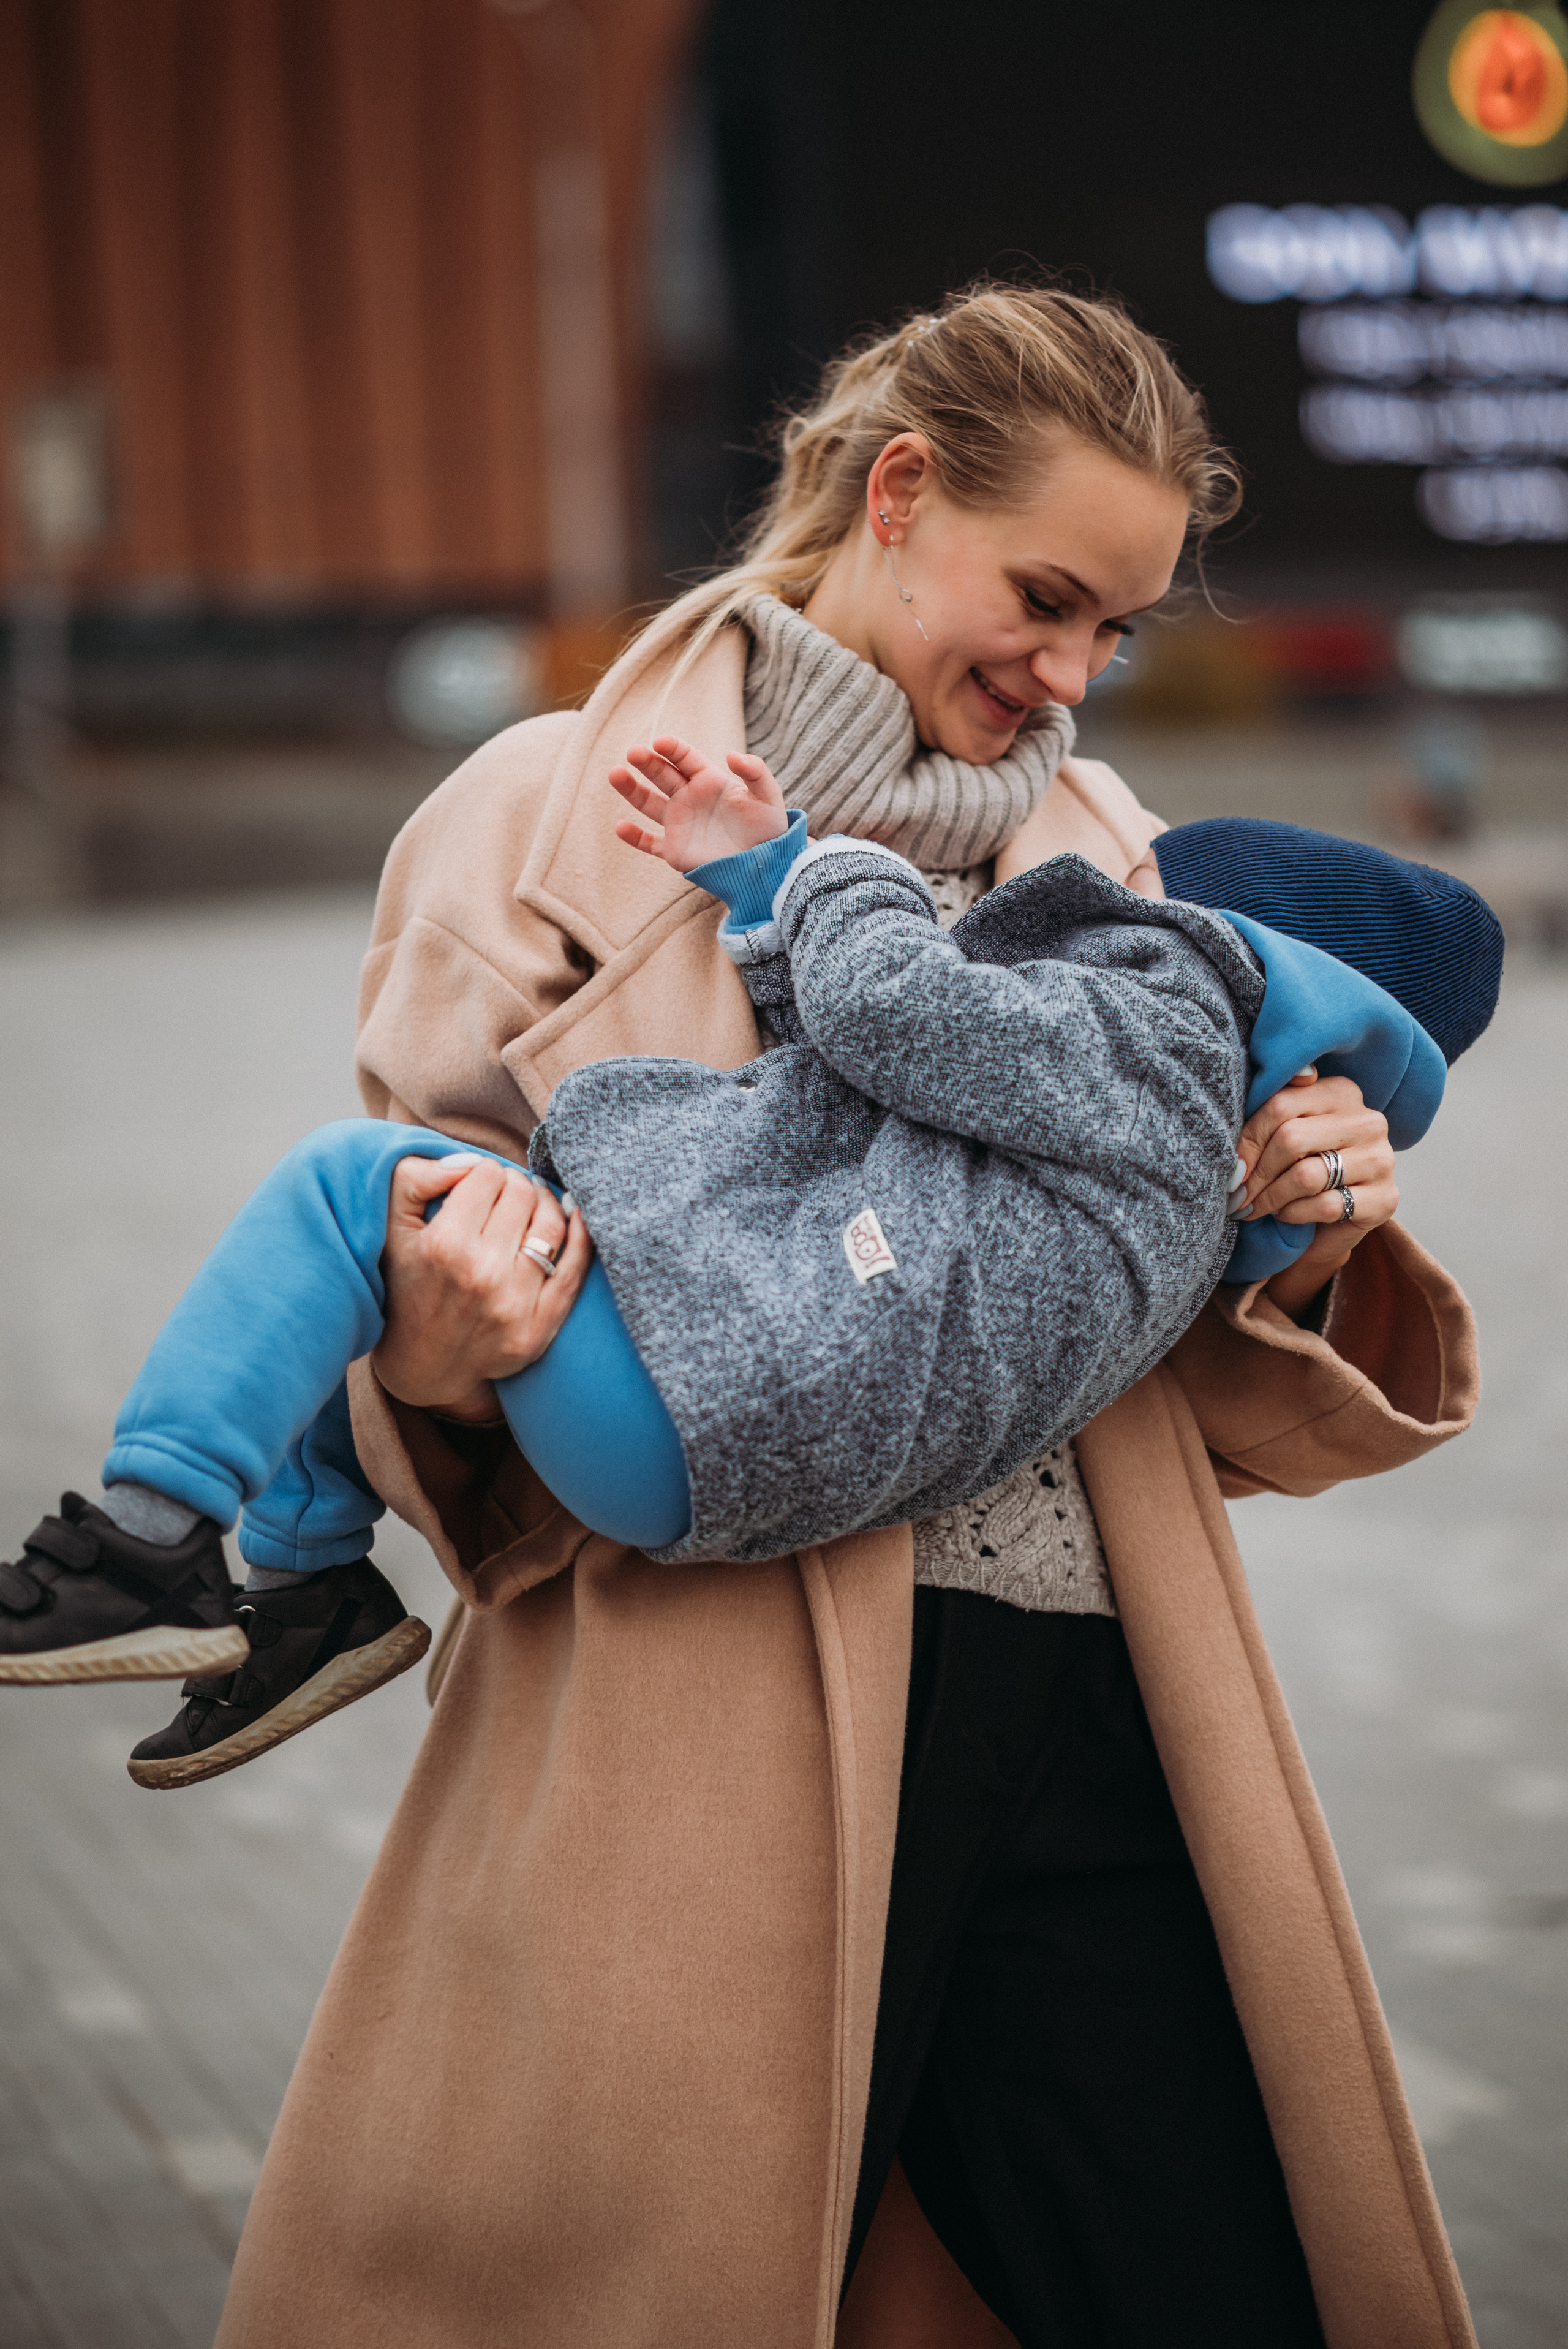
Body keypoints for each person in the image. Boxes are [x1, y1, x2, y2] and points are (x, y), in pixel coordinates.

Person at [213, 285, 1484, 2349]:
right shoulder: (545, 805)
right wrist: (442, 1347)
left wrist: (1307, 1215)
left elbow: (1169, 1350)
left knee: (1215, 2276)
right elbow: (383, 1318)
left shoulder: (1121, 852)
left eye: (1117, 634)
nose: (1071, 675)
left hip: (1105, 1699)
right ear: (900, 493)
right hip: (709, 1727)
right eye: (1048, 596)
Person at [0, 738, 1490, 1799]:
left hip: (697, 1403)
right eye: (1051, 599)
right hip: (729, 1432)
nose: (1099, 915)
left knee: (347, 1185)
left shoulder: (1163, 1014)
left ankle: (152, 1540)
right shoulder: (1188, 1119)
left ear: (1211, 934)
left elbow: (895, 1010)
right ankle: (306, 1590)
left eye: (1139, 898)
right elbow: (898, 1097)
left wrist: (822, 866)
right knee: (389, 1244)